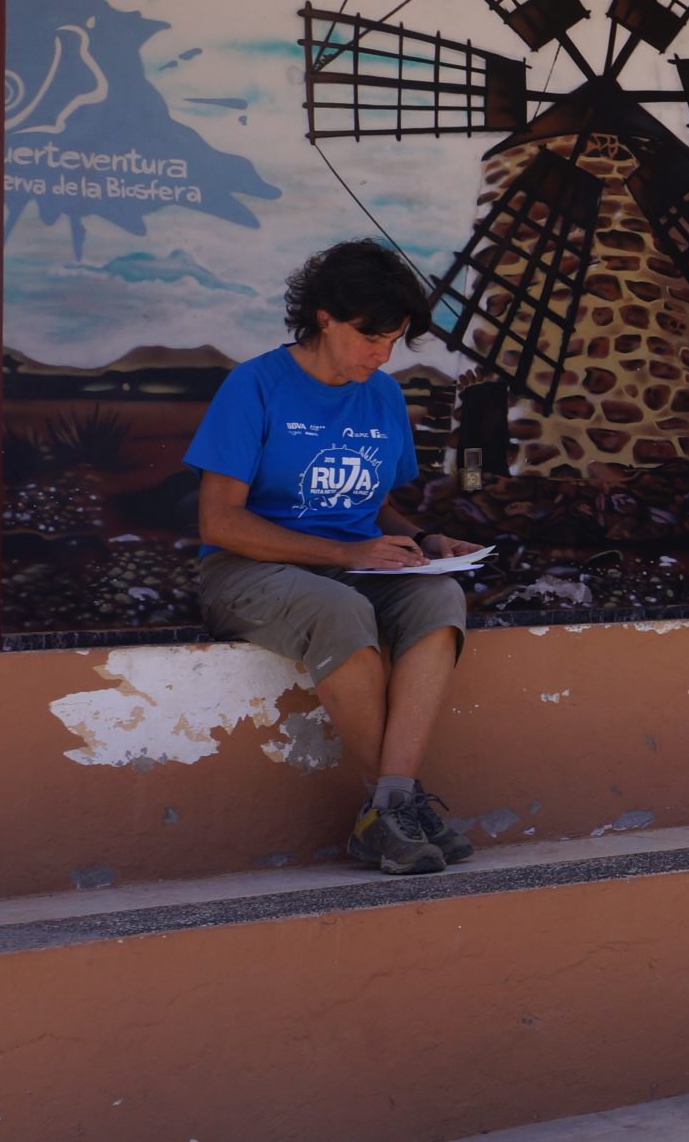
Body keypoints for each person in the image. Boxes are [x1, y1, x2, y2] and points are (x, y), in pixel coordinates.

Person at [186, 239, 486, 876]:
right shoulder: (254, 386)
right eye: (369, 337)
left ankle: (388, 809)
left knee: (439, 596)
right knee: (340, 609)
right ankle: (399, 805)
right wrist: (346, 551)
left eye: (393, 341)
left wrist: (427, 539)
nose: (381, 355)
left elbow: (374, 505)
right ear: (324, 316)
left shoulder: (382, 395)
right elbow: (220, 522)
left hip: (352, 565)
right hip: (248, 571)